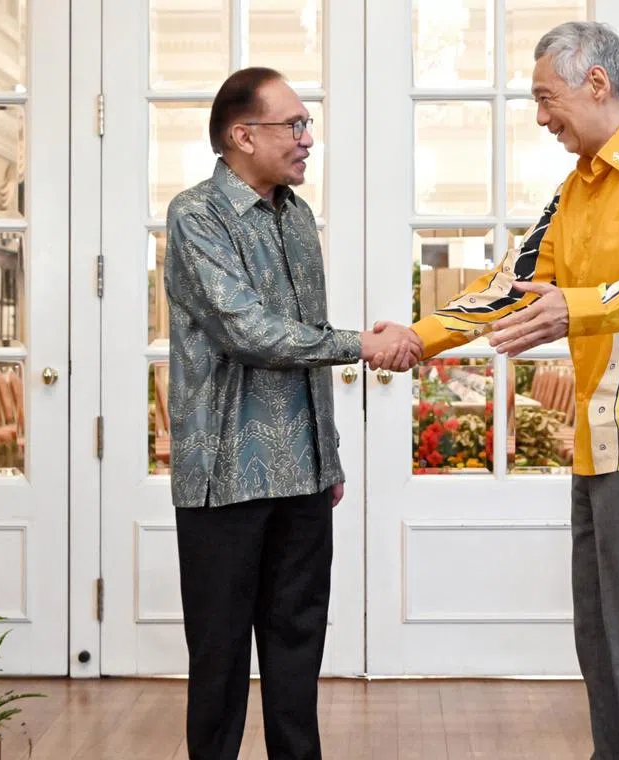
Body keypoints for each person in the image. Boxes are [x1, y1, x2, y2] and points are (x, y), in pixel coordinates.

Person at [375, 21, 619, 760]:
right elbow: (511, 286)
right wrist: (416, 337)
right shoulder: (576, 189)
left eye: (544, 96)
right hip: (601, 439)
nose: (540, 116)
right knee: (598, 630)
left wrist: (579, 306)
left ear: (597, 82)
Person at [163, 67, 420, 760]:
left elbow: (304, 335)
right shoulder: (196, 216)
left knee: (298, 650)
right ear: (241, 135)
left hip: (303, 477)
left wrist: (326, 455)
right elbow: (245, 331)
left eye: (308, 125)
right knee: (218, 662)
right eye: (294, 125)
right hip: (225, 477)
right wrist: (362, 346)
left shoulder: (298, 216)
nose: (309, 139)